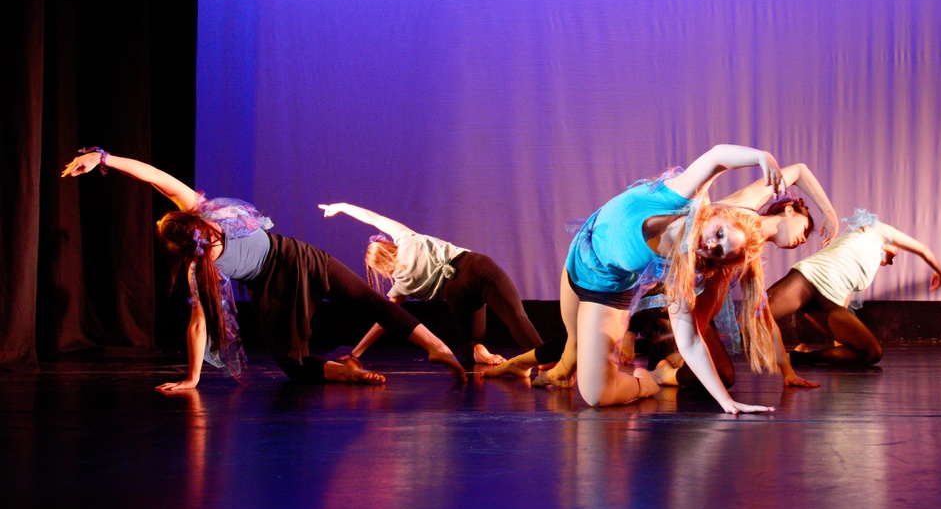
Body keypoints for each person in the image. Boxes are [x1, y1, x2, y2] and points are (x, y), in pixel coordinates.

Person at [62, 149, 467, 390]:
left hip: (276, 290)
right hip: (299, 256)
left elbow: (198, 325)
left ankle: (344, 374)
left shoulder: (200, 267)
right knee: (371, 301)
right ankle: (437, 346)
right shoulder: (204, 212)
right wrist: (103, 157)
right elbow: (156, 178)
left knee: (294, 363)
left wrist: (193, 378)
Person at [485, 162, 838, 391]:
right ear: (788, 208)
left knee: (720, 376)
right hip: (655, 291)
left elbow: (759, 312)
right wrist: (829, 213)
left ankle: (648, 370)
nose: (803, 238)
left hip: (683, 308)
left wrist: (787, 370)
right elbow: (798, 170)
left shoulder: (751, 261)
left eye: (807, 237)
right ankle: (522, 364)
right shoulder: (744, 206)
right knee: (578, 341)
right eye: (805, 227)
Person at [510, 144, 786, 411]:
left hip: (605, 290)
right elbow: (717, 157)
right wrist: (761, 157)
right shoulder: (683, 196)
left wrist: (725, 401)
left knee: (595, 395)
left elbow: (690, 342)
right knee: (573, 343)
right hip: (580, 252)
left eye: (719, 252)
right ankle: (556, 372)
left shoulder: (681, 269)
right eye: (721, 234)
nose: (712, 244)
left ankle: (644, 384)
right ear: (720, 215)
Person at [318, 202, 545, 367]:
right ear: (388, 245)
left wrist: (356, 352)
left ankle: (482, 353)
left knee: (470, 342)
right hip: (474, 267)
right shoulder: (405, 238)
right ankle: (547, 361)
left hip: (455, 293)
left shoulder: (400, 285)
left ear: (379, 268)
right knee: (515, 316)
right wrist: (342, 207)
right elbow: (373, 218)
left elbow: (384, 322)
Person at [766, 209, 941, 365]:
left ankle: (801, 357)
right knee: (755, 317)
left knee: (872, 352)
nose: (892, 257)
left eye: (891, 260)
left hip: (826, 305)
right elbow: (923, 250)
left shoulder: (868, 271)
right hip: (807, 281)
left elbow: (844, 299)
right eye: (893, 251)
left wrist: (843, 342)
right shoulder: (875, 231)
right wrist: (939, 271)